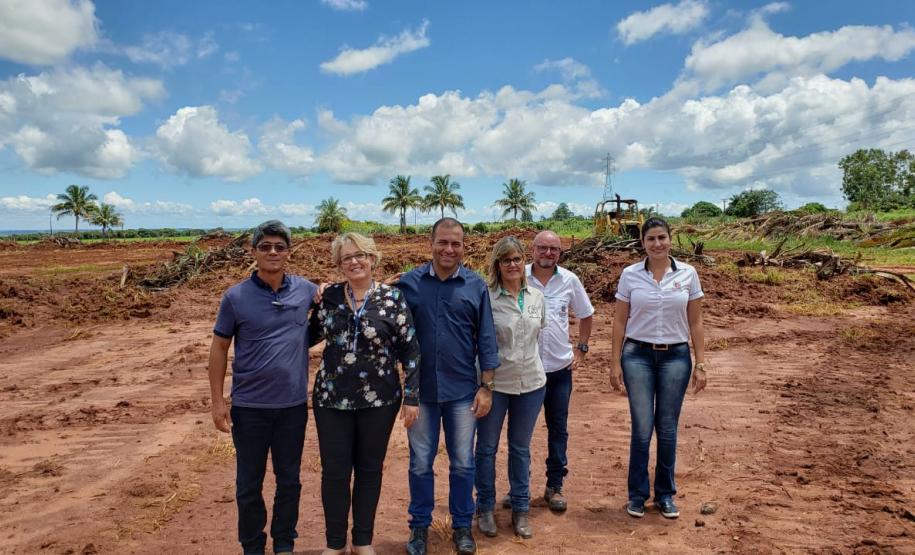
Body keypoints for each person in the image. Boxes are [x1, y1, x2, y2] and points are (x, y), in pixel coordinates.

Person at [208, 220, 317, 555]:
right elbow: (219, 349)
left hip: (293, 406)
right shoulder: (236, 297)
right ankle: (253, 545)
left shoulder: (306, 290)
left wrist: (386, 286)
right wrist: (217, 402)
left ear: (289, 252)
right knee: (248, 485)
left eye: (279, 247)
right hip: (250, 408)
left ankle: (284, 543)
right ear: (253, 251)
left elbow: (347, 297)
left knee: (289, 481)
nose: (273, 252)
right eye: (265, 246)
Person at [308, 232, 421, 555]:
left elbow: (410, 350)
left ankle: (362, 541)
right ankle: (334, 544)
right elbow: (307, 336)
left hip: (380, 401)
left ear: (373, 259)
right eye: (346, 257)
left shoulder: (392, 298)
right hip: (332, 400)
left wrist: (411, 396)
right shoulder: (328, 297)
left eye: (360, 255)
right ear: (338, 264)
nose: (354, 262)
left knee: (369, 470)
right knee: (334, 472)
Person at [395, 217, 500, 555]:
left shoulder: (475, 286)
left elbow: (486, 339)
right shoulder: (409, 284)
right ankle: (419, 528)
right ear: (431, 244)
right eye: (443, 242)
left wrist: (486, 386)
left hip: (462, 392)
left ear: (464, 247)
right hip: (420, 394)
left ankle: (461, 527)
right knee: (420, 462)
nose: (448, 249)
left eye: (455, 243)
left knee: (462, 463)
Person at [610, 217, 708, 520]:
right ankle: (637, 495)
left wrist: (701, 362)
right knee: (642, 429)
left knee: (667, 429)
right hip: (637, 356)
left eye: (662, 237)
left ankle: (665, 495)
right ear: (642, 243)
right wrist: (614, 362)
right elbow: (619, 321)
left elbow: (696, 321)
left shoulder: (688, 275)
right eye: (650, 239)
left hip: (676, 358)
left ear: (670, 239)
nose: (657, 244)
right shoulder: (630, 275)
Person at [474, 236, 547, 539]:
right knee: (487, 448)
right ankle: (486, 508)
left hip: (531, 382)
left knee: (520, 448)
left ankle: (520, 509)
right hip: (495, 384)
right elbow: (480, 341)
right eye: (506, 260)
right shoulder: (487, 297)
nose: (513, 265)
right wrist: (485, 384)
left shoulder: (536, 297)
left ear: (523, 261)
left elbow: (537, 333)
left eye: (517, 259)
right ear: (497, 265)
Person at [519, 230, 594, 512]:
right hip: (525, 369)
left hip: (559, 369)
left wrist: (582, 349)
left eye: (554, 249)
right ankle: (519, 487)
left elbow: (586, 314)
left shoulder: (570, 280)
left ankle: (555, 486)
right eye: (543, 248)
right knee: (520, 433)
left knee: (558, 429)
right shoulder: (517, 275)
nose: (548, 253)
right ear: (533, 249)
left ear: (560, 254)